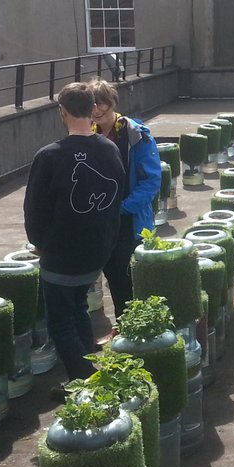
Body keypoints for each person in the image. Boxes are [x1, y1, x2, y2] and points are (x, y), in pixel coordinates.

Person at [24, 82, 125, 386]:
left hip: (61, 256)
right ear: (94, 110)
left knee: (60, 323)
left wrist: (40, 245)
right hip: (96, 253)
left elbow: (34, 210)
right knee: (79, 309)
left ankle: (86, 382)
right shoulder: (110, 149)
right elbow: (116, 200)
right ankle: (88, 372)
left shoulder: (49, 156)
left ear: (62, 112)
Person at [89, 79, 163, 319]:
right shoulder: (88, 137)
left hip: (129, 221)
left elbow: (150, 182)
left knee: (129, 276)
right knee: (112, 274)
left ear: (113, 103)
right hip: (103, 222)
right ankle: (122, 325)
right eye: (91, 105)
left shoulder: (135, 135)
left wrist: (121, 208)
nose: (97, 110)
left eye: (102, 103)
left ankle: (134, 326)